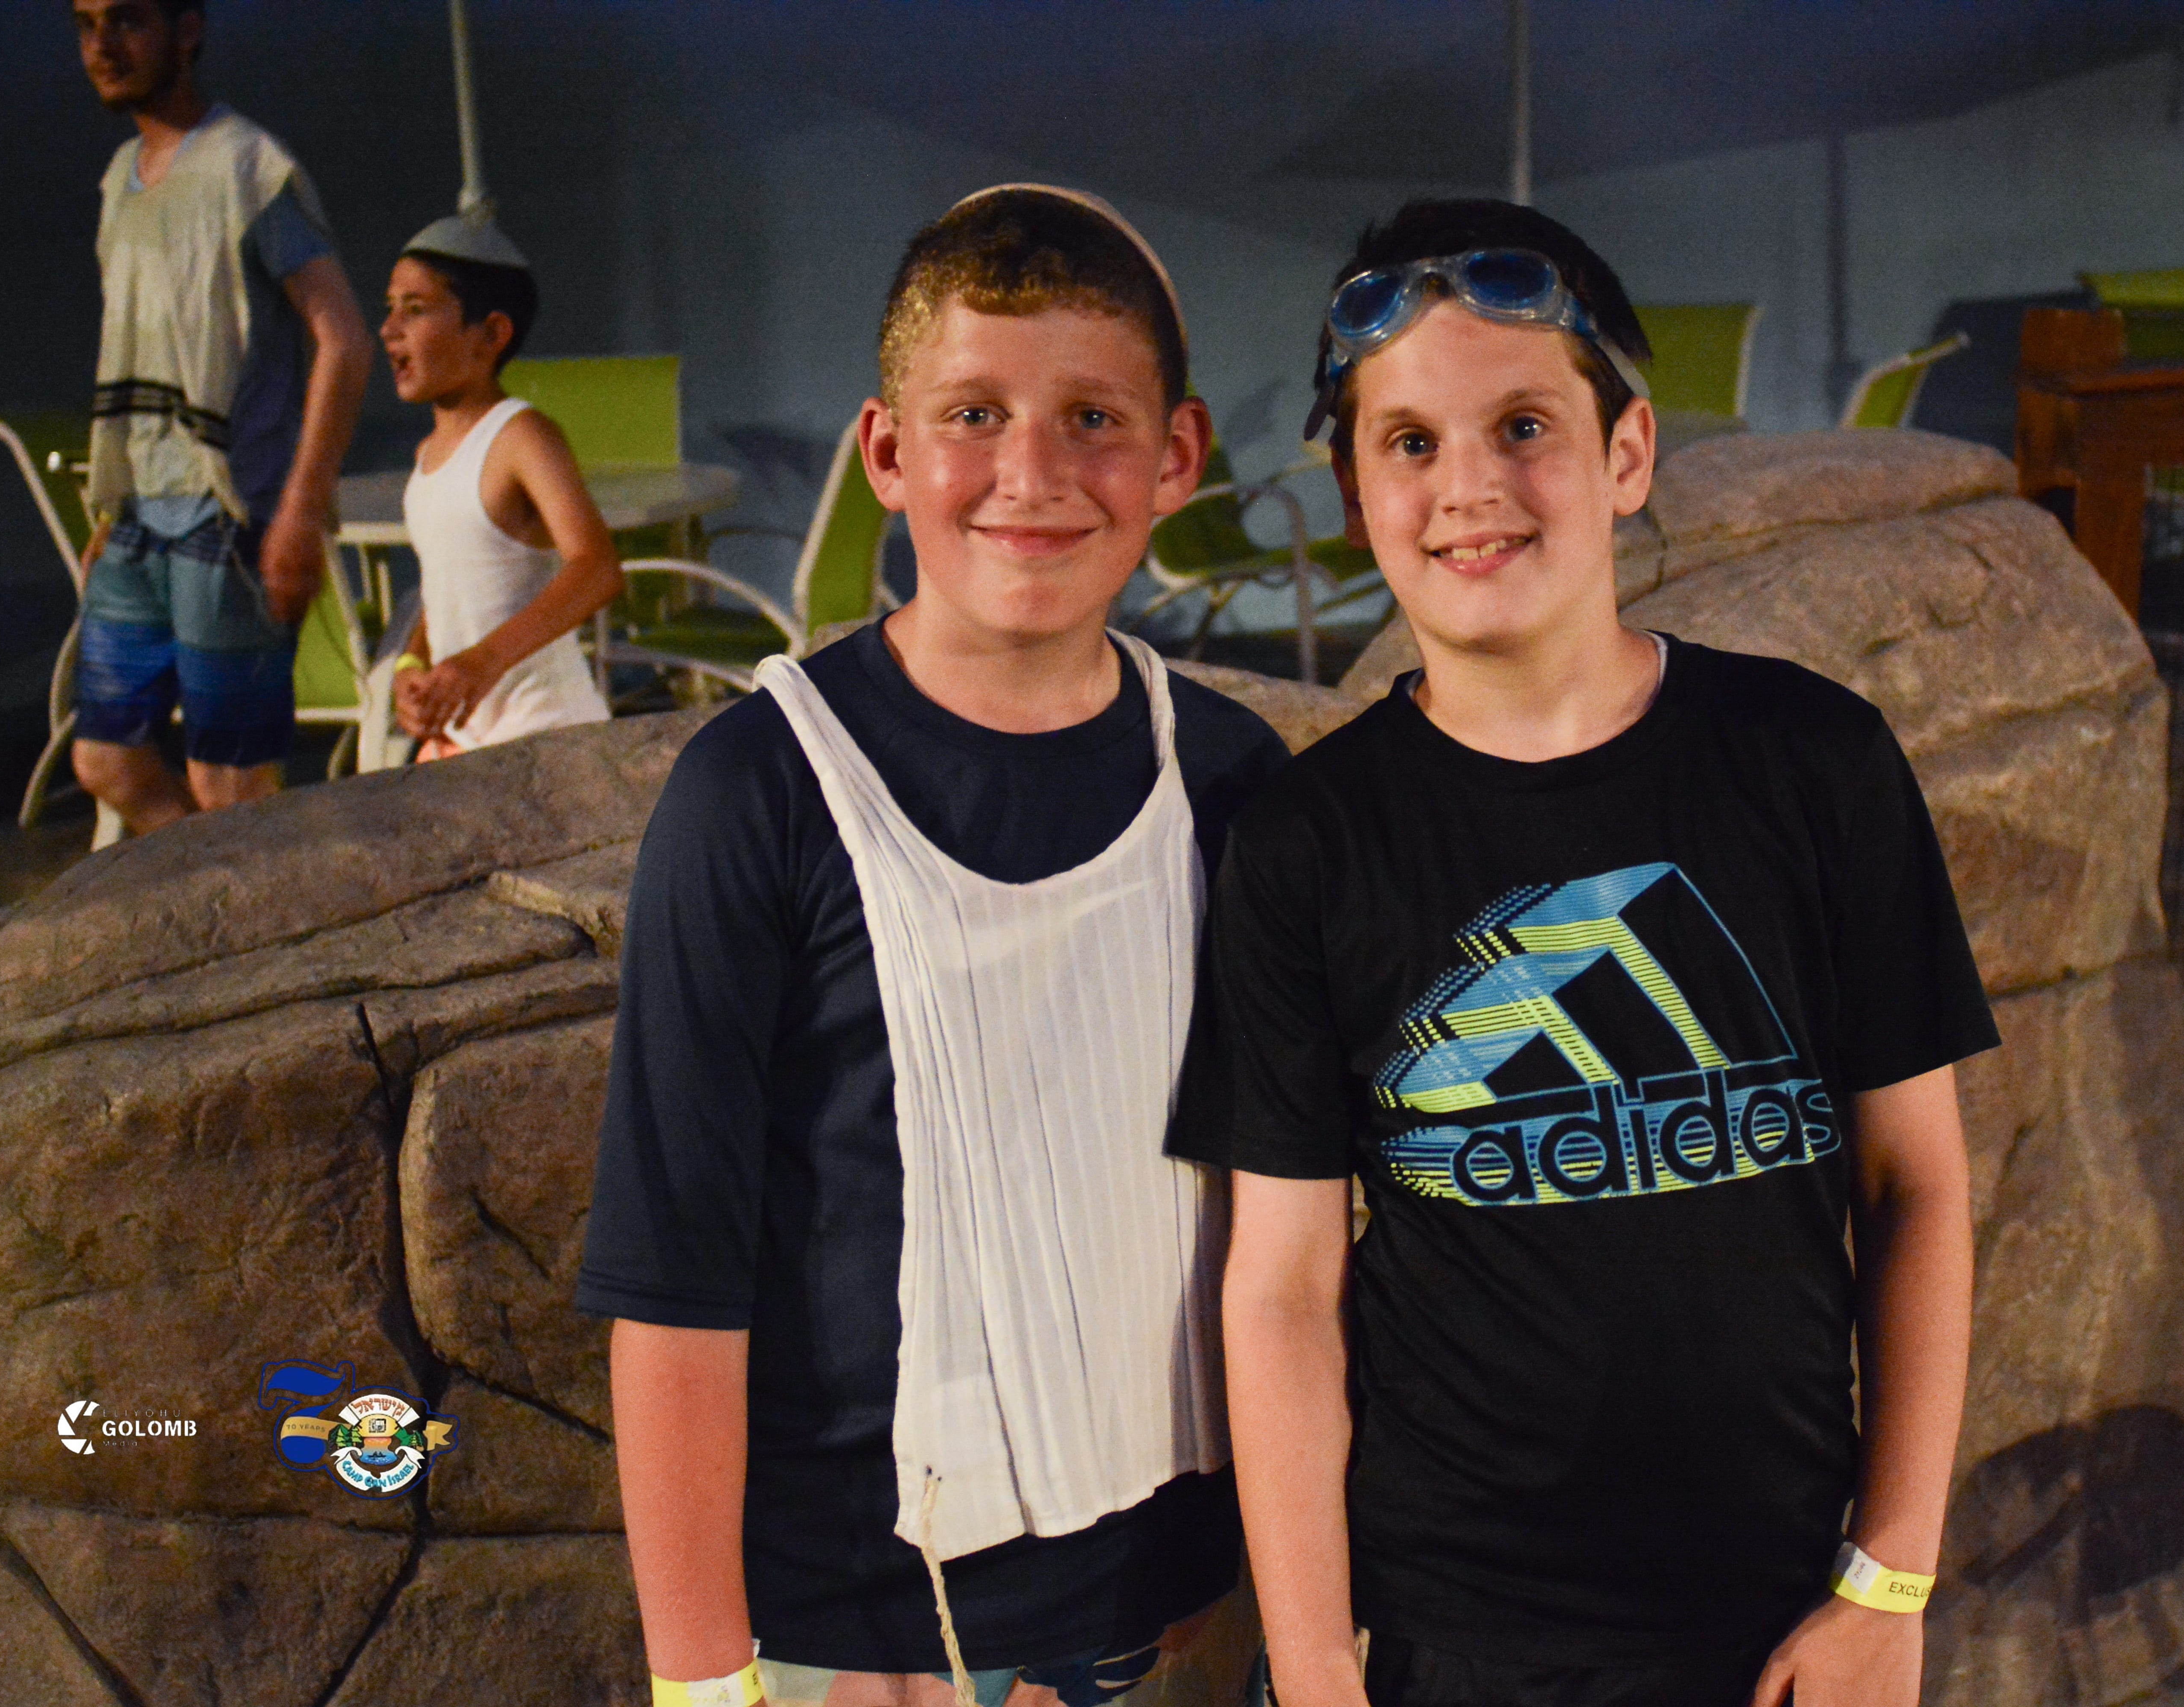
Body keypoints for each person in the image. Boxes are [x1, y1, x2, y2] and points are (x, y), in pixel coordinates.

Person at [1175, 200, 1998, 1707]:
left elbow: (1919, 1184)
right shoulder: (1309, 843)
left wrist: (1887, 1579)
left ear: (1625, 454)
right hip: (1456, 1633)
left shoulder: (1813, 762)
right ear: (1355, 494)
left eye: (1522, 427)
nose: (1468, 487)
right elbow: (1280, 1286)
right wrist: (1310, 1664)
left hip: (1779, 1610)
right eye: (1408, 442)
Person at [577, 185, 1291, 1707]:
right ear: (888, 452)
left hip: (1189, 1601)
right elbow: (675, 1282)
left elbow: (1288, 1236)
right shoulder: (758, 793)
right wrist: (701, 1679)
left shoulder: (1233, 781)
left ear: (1176, 456)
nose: (1032, 474)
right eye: (973, 414)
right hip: (866, 1629)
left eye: (1092, 419)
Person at [67, 0, 368, 832]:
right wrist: (113, 503)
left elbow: (343, 338)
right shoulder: (121, 177)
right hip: (140, 517)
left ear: (186, 28)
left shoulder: (248, 166)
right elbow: (142, 346)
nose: (103, 45)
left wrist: (299, 509)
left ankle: (256, 910)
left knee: (231, 782)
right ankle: (212, 893)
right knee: (105, 757)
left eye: (127, 20)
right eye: (86, 25)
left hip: (230, 516)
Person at [380, 217, 620, 758]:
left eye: (415, 310)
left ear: (491, 334)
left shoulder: (521, 435)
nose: (389, 329)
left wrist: (481, 663)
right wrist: (413, 664)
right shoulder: (426, 457)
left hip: (545, 731)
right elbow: (448, 591)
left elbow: (597, 568)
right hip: (468, 738)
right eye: (390, 308)